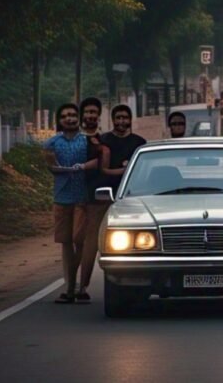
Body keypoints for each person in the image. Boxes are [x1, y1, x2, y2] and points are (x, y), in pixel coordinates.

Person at [43, 103, 99, 304]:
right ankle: (70, 286)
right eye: (65, 115)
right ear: (59, 120)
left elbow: (97, 162)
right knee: (66, 243)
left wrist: (79, 168)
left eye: (73, 115)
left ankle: (77, 284)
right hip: (61, 198)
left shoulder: (87, 141)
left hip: (82, 198)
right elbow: (51, 166)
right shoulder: (51, 143)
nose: (69, 118)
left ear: (79, 118)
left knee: (80, 240)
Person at [77, 97, 110, 303]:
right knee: (75, 242)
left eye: (93, 112)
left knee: (91, 243)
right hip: (76, 197)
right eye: (87, 112)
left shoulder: (104, 140)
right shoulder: (75, 140)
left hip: (98, 198)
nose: (90, 116)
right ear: (83, 115)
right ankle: (72, 285)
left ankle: (82, 286)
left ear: (98, 115)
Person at [100, 105, 146, 195]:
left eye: (125, 118)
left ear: (130, 120)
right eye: (118, 118)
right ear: (113, 120)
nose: (121, 121)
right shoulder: (103, 140)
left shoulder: (140, 142)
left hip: (133, 191)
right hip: (108, 191)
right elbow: (102, 170)